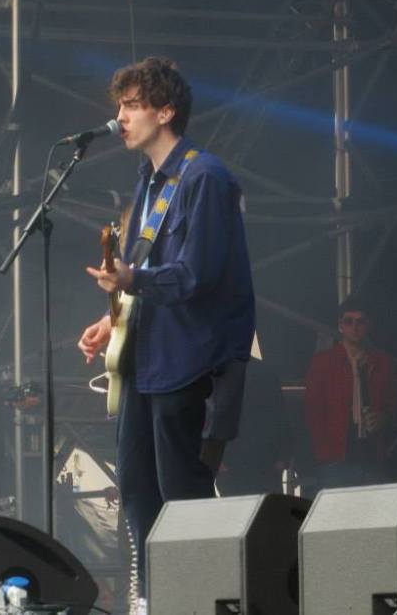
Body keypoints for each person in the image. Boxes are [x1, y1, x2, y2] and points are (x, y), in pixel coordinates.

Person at [77, 57, 255, 612]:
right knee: (136, 487)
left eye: (132, 106)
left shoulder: (206, 177)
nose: (120, 118)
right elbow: (147, 271)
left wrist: (131, 279)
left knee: (183, 492)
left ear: (166, 111)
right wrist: (113, 318)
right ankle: (155, 598)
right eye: (120, 106)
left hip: (190, 360)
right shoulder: (148, 180)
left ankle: (197, 600)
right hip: (145, 359)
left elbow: (197, 274)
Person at [303, 299, 395, 490]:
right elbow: (313, 411)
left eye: (360, 322)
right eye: (349, 321)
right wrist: (321, 452)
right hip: (335, 459)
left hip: (372, 456)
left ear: (368, 325)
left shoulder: (382, 362)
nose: (355, 327)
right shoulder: (324, 362)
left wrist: (383, 417)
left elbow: (393, 404)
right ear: (340, 325)